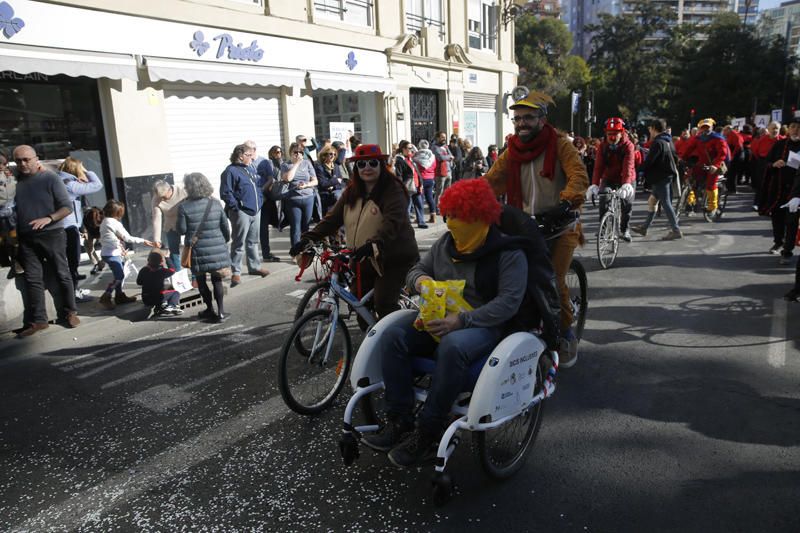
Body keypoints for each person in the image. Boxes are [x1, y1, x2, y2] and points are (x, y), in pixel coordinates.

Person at [365, 179, 530, 466]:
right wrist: (421, 281)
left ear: (479, 217)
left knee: (452, 347)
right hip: (441, 318)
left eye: (459, 216)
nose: (451, 223)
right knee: (393, 336)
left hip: (485, 325)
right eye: (449, 215)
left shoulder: (509, 253)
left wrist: (462, 320)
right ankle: (400, 419)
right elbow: (416, 269)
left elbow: (508, 303)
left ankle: (429, 432)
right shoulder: (446, 243)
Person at [483, 89, 589, 367]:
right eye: (517, 118)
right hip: (525, 226)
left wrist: (567, 203)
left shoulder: (560, 144)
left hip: (561, 225)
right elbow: (490, 181)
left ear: (543, 119)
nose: (522, 123)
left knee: (553, 280)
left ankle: (566, 334)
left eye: (528, 117)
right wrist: (465, 201)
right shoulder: (512, 151)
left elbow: (578, 175)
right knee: (510, 278)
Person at [290, 144, 419, 320]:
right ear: (355, 168)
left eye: (373, 163)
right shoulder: (352, 191)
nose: (367, 168)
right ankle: (372, 340)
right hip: (362, 258)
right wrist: (308, 239)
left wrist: (374, 243)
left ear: (381, 165)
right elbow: (332, 219)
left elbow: (392, 223)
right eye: (361, 164)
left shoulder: (392, 190)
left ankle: (398, 342)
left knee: (384, 303)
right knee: (360, 306)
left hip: (393, 258)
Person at [12, 145, 80, 337]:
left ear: (36, 159)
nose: (23, 164)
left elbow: (67, 207)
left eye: (26, 159)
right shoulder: (15, 182)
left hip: (52, 234)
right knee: (32, 279)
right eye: (18, 160)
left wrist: (48, 218)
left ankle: (70, 313)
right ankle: (39, 321)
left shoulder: (50, 178)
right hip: (26, 238)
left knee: (62, 272)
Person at [177, 173, 232, 322]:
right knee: (217, 280)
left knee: (201, 281)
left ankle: (209, 309)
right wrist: (224, 241)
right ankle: (221, 312)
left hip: (196, 250)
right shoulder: (215, 203)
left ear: (190, 187)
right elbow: (225, 227)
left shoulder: (183, 206)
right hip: (217, 247)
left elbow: (181, 230)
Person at [220, 143, 270, 288]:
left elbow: (257, 187)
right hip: (241, 212)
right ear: (240, 156)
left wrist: (260, 201)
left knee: (253, 241)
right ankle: (236, 271)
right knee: (238, 242)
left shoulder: (250, 169)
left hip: (256, 210)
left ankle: (254, 267)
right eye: (249, 155)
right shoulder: (230, 171)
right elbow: (225, 192)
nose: (252, 158)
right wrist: (236, 207)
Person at [57, 157, 104, 302]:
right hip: (68, 227)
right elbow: (97, 185)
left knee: (66, 262)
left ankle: (72, 291)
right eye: (80, 168)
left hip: (62, 226)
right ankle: (73, 294)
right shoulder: (70, 184)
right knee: (72, 261)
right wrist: (85, 170)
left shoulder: (60, 179)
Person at [97, 200, 155, 310]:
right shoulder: (114, 223)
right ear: (118, 213)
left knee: (119, 275)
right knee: (119, 276)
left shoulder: (104, 221)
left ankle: (119, 296)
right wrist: (143, 241)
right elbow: (127, 238)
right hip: (113, 254)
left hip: (109, 252)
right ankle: (106, 296)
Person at [630, 119, 682, 240]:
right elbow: (674, 158)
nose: (649, 131)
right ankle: (644, 228)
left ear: (654, 128)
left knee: (666, 203)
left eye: (650, 129)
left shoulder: (658, 142)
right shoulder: (668, 141)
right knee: (652, 202)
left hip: (660, 177)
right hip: (666, 176)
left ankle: (676, 230)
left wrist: (636, 170)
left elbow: (650, 161)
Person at [586, 117, 636, 242]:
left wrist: (626, 184)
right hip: (609, 178)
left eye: (615, 134)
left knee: (627, 204)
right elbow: (598, 167)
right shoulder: (602, 146)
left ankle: (624, 229)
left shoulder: (628, 146)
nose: (612, 137)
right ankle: (603, 229)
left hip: (627, 178)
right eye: (609, 134)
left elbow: (628, 166)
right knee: (604, 199)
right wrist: (594, 185)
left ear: (622, 132)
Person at [760, 115, 800, 265]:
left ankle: (787, 251)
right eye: (793, 127)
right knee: (777, 216)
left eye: (799, 128)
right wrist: (774, 164)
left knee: (792, 220)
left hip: (796, 191)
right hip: (779, 188)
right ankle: (778, 241)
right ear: (788, 129)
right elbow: (767, 163)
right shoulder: (780, 144)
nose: (796, 130)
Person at [681, 118, 728, 218]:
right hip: (701, 164)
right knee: (690, 180)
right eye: (703, 127)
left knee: (711, 185)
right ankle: (690, 203)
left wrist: (715, 165)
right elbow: (689, 149)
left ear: (712, 127)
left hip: (714, 164)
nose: (705, 129)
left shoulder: (718, 138)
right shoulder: (698, 139)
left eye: (707, 127)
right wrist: (682, 159)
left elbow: (722, 154)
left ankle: (712, 207)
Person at [282, 141, 319, 249]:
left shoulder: (307, 163)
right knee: (295, 227)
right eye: (295, 152)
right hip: (293, 199)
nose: (298, 154)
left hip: (308, 198)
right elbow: (288, 178)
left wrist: (306, 184)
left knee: (306, 226)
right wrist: (296, 164)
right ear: (290, 153)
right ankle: (296, 251)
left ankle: (305, 249)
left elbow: (315, 181)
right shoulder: (285, 165)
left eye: (300, 152)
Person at [150, 179, 187, 273]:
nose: (161, 199)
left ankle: (196, 277)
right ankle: (177, 276)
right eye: (159, 197)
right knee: (173, 252)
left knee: (190, 249)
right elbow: (156, 218)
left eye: (163, 197)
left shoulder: (182, 191)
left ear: (169, 190)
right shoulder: (156, 199)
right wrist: (156, 239)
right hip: (170, 225)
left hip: (187, 223)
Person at [137, 250, 183, 316]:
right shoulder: (162, 270)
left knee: (162, 290)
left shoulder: (143, 270)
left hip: (146, 299)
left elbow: (139, 282)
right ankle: (171, 307)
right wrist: (167, 258)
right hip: (157, 297)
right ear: (161, 261)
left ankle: (160, 307)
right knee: (175, 293)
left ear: (148, 260)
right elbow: (172, 270)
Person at [394, 141, 427, 229]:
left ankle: (421, 222)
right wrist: (401, 187)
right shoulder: (399, 160)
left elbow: (417, 172)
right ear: (403, 149)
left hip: (416, 184)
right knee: (407, 206)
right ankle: (406, 224)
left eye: (411, 148)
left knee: (419, 204)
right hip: (407, 186)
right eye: (409, 148)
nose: (411, 150)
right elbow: (399, 175)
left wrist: (421, 183)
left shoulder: (411, 159)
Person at [0, 151, 19, 273]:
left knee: (15, 238)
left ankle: (16, 262)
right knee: (2, 239)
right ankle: (4, 259)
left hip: (12, 211)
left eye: (3, 163)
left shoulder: (12, 174)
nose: (1, 166)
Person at [314, 144, 345, 216]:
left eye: (334, 154)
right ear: (324, 155)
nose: (333, 156)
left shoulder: (336, 166)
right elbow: (322, 184)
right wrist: (336, 181)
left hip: (336, 195)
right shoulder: (319, 166)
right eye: (330, 154)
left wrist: (333, 186)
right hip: (325, 197)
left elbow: (342, 182)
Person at [413, 140, 437, 224]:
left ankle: (420, 217)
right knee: (430, 198)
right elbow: (434, 166)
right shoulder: (432, 156)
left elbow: (415, 166)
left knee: (420, 199)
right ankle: (433, 216)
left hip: (421, 179)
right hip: (431, 179)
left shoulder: (416, 156)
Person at [432, 131, 454, 211]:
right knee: (439, 192)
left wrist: (448, 156)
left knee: (447, 191)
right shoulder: (435, 147)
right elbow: (440, 157)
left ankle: (446, 207)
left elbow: (451, 155)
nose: (444, 139)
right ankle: (437, 208)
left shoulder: (445, 146)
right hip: (440, 172)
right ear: (437, 138)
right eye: (442, 137)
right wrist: (449, 157)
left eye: (445, 137)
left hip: (448, 171)